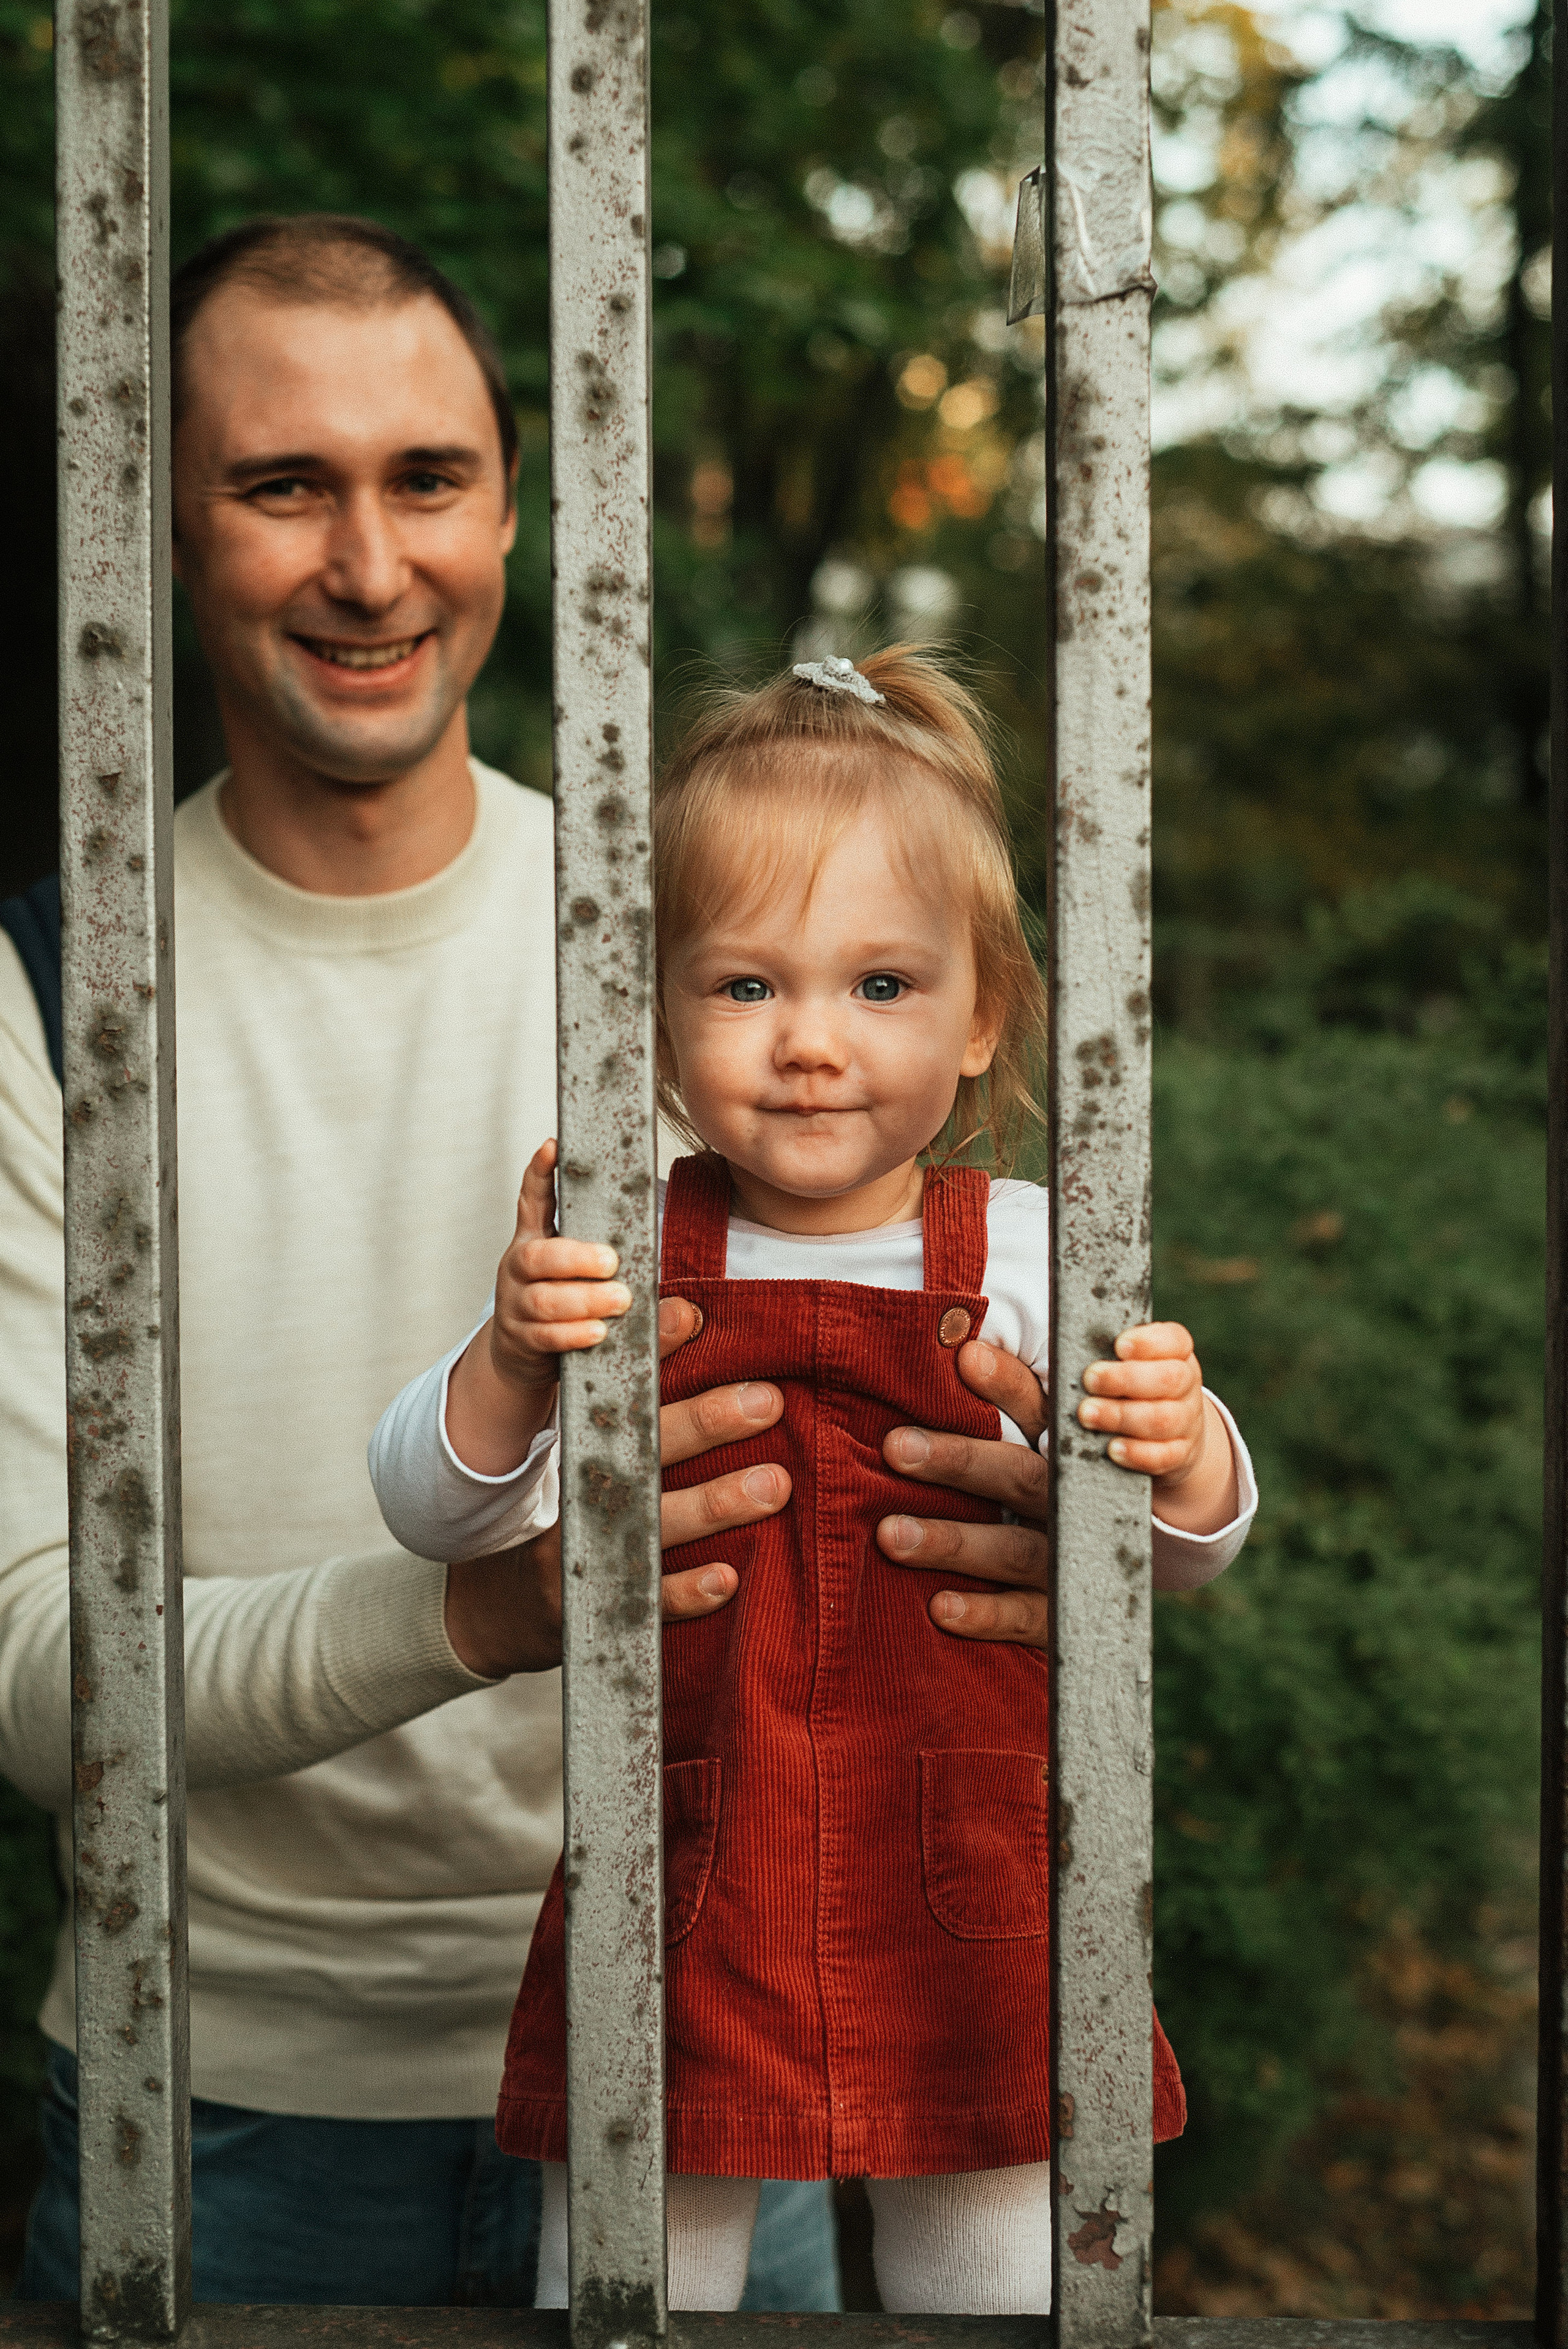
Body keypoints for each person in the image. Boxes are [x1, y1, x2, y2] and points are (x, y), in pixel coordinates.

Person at [0, 216, 1122, 2309]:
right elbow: (26, 1671)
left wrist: (1083, 1522)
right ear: (156, 514)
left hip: (734, 2023)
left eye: (425, 477)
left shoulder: (717, 927)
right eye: (279, 484)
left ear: (517, 504)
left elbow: (1027, 1392)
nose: (367, 562)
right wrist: (483, 1605)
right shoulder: (53, 987)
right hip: (222, 2090)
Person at [368, 650, 1259, 2315]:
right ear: (654, 1013)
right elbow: (435, 1512)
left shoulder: (1025, 1248)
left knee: (1002, 2280)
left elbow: (1180, 1556)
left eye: (881, 984)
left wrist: (1181, 1442)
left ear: (983, 1006)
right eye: (747, 986)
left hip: (978, 1867)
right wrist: (508, 1354)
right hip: (692, 1857)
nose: (811, 1046)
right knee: (634, 2286)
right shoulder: (618, 1243)